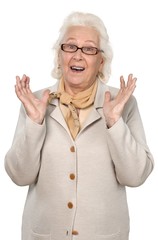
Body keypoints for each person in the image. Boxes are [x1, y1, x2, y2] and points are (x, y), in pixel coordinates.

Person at [4, 11, 154, 240]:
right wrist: (35, 123)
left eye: (89, 49)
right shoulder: (35, 102)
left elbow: (135, 177)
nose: (78, 55)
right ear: (59, 56)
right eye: (70, 47)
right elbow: (19, 176)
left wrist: (114, 123)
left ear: (101, 61)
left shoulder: (122, 103)